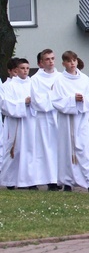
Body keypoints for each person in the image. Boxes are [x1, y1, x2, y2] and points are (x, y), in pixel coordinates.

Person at [51, 50, 89, 192]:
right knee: (67, 150)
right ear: (64, 64)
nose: (72, 63)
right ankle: (68, 181)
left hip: (81, 120)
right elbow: (56, 101)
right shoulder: (59, 80)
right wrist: (72, 100)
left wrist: (82, 100)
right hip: (67, 121)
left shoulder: (84, 79)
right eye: (69, 61)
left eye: (74, 60)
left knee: (86, 150)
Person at [0, 59, 38, 189]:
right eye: (22, 68)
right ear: (16, 70)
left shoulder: (33, 84)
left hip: (30, 121)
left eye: (27, 68)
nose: (25, 71)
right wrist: (23, 103)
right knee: (14, 150)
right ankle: (10, 181)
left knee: (30, 150)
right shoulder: (8, 86)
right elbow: (4, 105)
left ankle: (29, 181)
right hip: (15, 123)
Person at [30, 49, 61, 191]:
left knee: (59, 149)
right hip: (44, 118)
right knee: (46, 149)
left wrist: (56, 99)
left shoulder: (61, 77)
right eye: (47, 59)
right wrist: (53, 96)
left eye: (52, 58)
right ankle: (48, 180)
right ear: (41, 62)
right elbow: (37, 101)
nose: (51, 62)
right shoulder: (35, 79)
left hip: (59, 117)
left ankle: (61, 178)